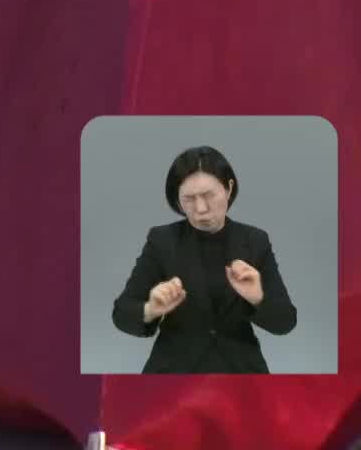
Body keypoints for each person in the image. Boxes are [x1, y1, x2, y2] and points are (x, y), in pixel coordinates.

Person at [110, 145, 298, 373]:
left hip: (241, 370)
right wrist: (151, 309)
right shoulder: (162, 240)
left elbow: (286, 322)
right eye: (188, 199)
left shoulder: (255, 240)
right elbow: (121, 313)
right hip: (174, 370)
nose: (201, 209)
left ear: (229, 188)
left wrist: (257, 297)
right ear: (178, 202)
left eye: (209, 195)